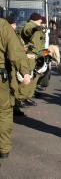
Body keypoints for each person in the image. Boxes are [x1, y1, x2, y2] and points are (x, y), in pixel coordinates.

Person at [0, 18, 32, 158]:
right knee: (4, 112)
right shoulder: (2, 25)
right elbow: (15, 51)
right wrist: (25, 71)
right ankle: (3, 148)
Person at [19, 13, 46, 106]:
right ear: (37, 19)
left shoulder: (37, 27)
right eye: (40, 20)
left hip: (36, 55)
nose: (42, 21)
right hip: (30, 55)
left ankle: (27, 96)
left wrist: (43, 54)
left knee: (35, 76)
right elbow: (27, 31)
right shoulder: (31, 25)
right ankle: (21, 97)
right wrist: (34, 28)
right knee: (27, 76)